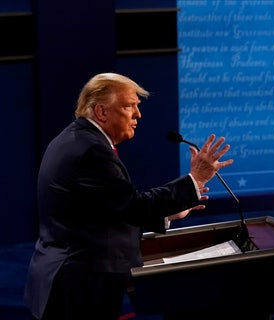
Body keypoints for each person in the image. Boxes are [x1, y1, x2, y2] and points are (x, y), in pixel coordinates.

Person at [24, 72, 233, 320]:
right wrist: (195, 180)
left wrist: (166, 214)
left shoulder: (77, 138)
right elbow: (133, 205)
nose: (138, 115)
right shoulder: (91, 151)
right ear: (101, 112)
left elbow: (107, 212)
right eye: (129, 106)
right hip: (79, 283)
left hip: (71, 276)